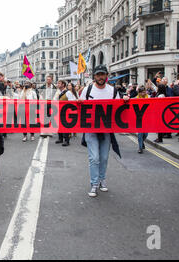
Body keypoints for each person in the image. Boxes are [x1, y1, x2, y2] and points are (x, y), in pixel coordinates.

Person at [79, 64, 129, 197]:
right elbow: (79, 107)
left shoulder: (113, 91)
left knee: (104, 158)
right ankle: (94, 183)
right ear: (94, 76)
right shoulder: (87, 90)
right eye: (98, 74)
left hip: (106, 130)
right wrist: (79, 103)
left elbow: (119, 110)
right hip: (91, 129)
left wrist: (125, 100)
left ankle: (102, 180)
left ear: (106, 76)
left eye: (103, 74)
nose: (100, 77)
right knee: (94, 158)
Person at [54, 80, 70, 146]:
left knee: (65, 125)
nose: (57, 84)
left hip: (65, 111)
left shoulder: (68, 92)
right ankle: (60, 138)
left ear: (63, 85)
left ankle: (66, 140)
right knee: (59, 125)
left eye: (59, 83)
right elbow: (54, 100)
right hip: (58, 110)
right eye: (57, 83)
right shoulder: (57, 92)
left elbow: (71, 101)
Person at [136, 86, 149, 154]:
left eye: (144, 92)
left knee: (145, 134)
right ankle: (140, 148)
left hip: (147, 118)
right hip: (139, 118)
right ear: (139, 93)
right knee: (140, 134)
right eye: (142, 92)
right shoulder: (136, 98)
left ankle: (142, 142)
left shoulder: (149, 98)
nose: (143, 93)